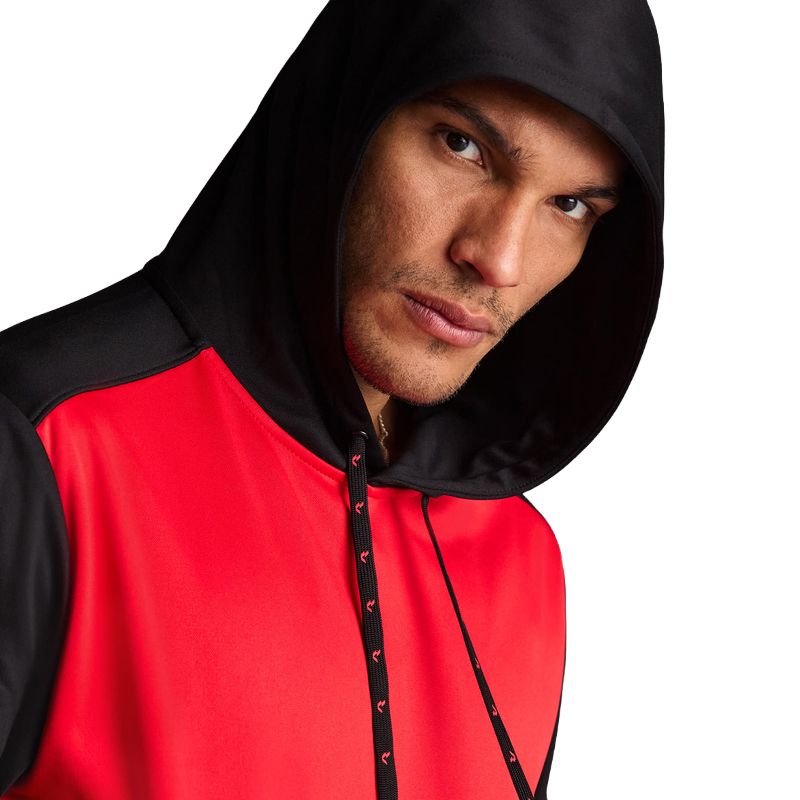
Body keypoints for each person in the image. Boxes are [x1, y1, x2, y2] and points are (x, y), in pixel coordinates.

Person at [0, 0, 664, 797]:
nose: (499, 260)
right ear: (345, 111)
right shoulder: (48, 440)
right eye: (463, 146)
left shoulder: (520, 561)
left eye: (570, 205)